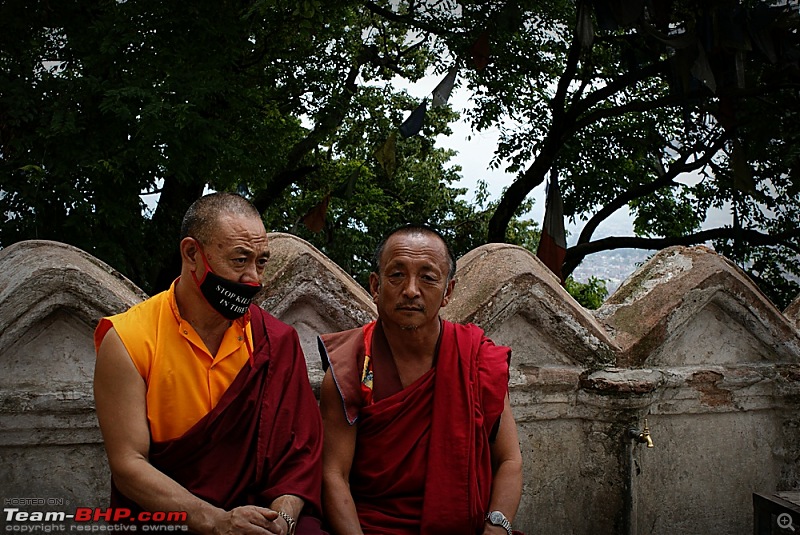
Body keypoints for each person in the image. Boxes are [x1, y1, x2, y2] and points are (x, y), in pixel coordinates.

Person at [94, 192, 325, 535]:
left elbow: (299, 456)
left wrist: (281, 522)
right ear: (192, 254)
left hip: (262, 516)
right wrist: (216, 522)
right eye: (240, 260)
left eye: (261, 262)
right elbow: (128, 465)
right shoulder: (129, 340)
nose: (253, 279)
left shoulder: (274, 341)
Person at [318, 225, 524, 535]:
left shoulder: (475, 359)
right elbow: (333, 475)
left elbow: (509, 460)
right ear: (375, 286)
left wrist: (496, 527)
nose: (411, 290)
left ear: (448, 292)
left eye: (428, 277)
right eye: (397, 275)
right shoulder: (351, 366)